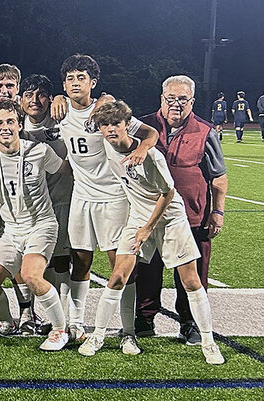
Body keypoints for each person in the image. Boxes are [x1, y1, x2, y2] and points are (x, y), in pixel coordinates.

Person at [81, 100, 224, 365]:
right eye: (105, 125)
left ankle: (208, 341)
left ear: (127, 126)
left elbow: (167, 194)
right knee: (117, 277)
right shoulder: (106, 144)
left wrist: (147, 229)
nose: (111, 129)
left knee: (190, 280)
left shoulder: (152, 156)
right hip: (138, 215)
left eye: (116, 124)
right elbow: (95, 106)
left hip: (169, 216)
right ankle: (98, 336)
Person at [54, 54, 158, 341]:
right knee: (80, 260)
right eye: (71, 78)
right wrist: (53, 98)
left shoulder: (107, 112)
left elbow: (151, 132)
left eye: (82, 77)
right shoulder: (60, 112)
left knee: (121, 265)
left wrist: (143, 149)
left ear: (93, 83)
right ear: (64, 84)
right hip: (81, 197)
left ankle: (127, 330)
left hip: (113, 197)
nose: (76, 83)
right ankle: (76, 324)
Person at [134, 75, 228, 345]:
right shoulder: (143, 126)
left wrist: (217, 213)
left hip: (192, 215)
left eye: (182, 99)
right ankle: (144, 318)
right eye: (170, 99)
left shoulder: (205, 131)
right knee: (146, 269)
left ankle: (190, 323)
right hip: (149, 215)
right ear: (161, 99)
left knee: (193, 273)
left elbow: (218, 177)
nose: (176, 104)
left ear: (192, 101)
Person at [0, 99, 71, 351]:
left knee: (31, 275)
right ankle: (7, 323)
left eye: (10, 121)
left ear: (20, 125)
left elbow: (65, 170)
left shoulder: (39, 151)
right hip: (11, 230)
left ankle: (61, 330)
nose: (5, 127)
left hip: (41, 225)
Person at [20, 74, 74, 335]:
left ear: (50, 98)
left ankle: (61, 317)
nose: (34, 100)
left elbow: (99, 103)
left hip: (61, 200)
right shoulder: (13, 123)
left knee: (61, 261)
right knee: (30, 262)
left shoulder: (62, 116)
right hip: (29, 207)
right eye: (28, 94)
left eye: (40, 94)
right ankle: (28, 314)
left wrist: (64, 98)